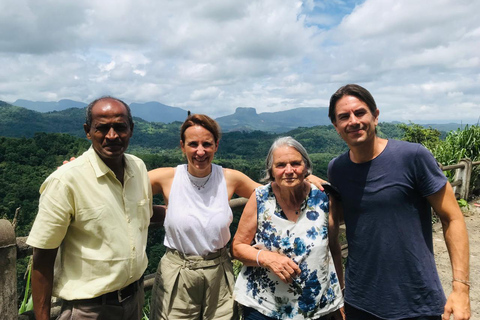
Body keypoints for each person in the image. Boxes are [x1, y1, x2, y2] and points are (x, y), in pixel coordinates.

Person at [148, 114, 329, 320]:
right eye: (193, 144)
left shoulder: (229, 178)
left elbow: (272, 192)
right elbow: (125, 186)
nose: (200, 151)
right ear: (182, 146)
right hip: (178, 270)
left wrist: (303, 177)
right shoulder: (166, 177)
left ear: (216, 145)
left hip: (218, 270)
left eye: (207, 144)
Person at [327, 84, 470, 320]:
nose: (353, 121)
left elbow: (452, 217)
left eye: (360, 112)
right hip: (359, 300)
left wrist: (461, 288)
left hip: (416, 300)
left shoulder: (412, 156)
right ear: (336, 126)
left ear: (375, 115)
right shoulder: (337, 169)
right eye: (344, 117)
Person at [27, 97, 153, 320]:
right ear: (88, 131)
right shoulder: (65, 181)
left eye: (120, 127)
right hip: (89, 310)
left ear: (131, 130)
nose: (112, 135)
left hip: (134, 299)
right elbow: (43, 258)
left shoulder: (139, 168)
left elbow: (143, 216)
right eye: (102, 128)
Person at [232, 137, 344, 320]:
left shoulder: (324, 199)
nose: (289, 171)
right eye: (281, 165)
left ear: (306, 167)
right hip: (265, 307)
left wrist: (340, 296)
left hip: (317, 308)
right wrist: (267, 258)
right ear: (271, 170)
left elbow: (333, 249)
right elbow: (237, 248)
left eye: (295, 163)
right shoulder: (260, 198)